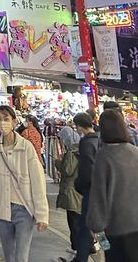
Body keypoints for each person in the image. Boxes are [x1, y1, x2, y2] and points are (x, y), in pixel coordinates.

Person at [0, 105, 48, 262]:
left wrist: (42, 214)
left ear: (14, 122)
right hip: (3, 208)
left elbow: (38, 181)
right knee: (9, 256)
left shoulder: (26, 147)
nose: (3, 123)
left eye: (6, 119)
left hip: (23, 209)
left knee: (21, 256)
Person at [87, 109, 138, 261]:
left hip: (116, 226)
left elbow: (99, 194)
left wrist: (95, 224)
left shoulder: (104, 156)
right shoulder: (135, 152)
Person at [72, 111, 99, 262]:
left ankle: (81, 258)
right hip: (101, 188)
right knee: (95, 224)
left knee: (86, 225)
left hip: (90, 190)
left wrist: (79, 185)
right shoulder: (99, 139)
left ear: (80, 127)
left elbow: (86, 169)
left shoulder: (86, 142)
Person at [55, 124, 82, 259]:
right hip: (77, 191)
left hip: (71, 190)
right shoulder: (82, 148)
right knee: (77, 220)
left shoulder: (72, 151)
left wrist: (57, 162)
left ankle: (78, 249)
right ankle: (79, 247)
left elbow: (67, 170)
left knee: (74, 221)